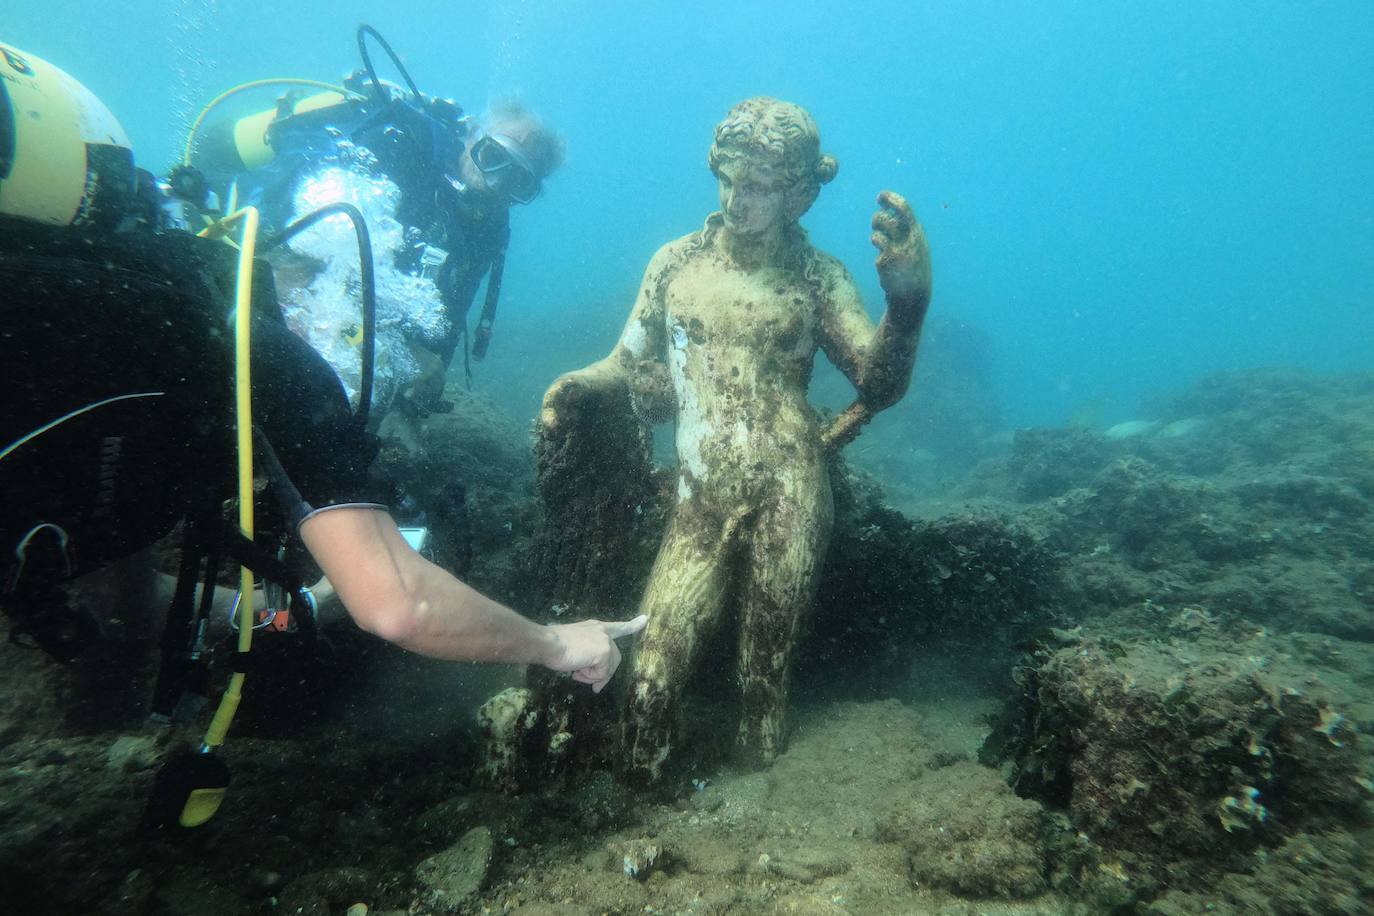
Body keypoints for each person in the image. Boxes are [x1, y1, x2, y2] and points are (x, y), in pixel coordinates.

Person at [0, 44, 641, 695]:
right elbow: (399, 606)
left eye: (519, 183)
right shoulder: (273, 368)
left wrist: (304, 609)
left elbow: (128, 600)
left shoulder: (126, 313)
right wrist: (554, 643)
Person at [540, 97, 932, 783]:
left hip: (790, 493)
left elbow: (880, 382)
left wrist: (907, 305)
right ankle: (641, 814)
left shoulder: (816, 277)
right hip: (697, 501)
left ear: (801, 195)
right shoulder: (675, 265)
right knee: (652, 676)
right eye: (729, 177)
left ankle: (757, 832)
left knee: (762, 684)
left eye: (760, 186)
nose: (737, 196)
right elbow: (626, 360)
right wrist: (578, 383)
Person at [194, 29, 564, 402]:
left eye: (519, 181)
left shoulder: (488, 231)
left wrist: (421, 383)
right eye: (492, 157)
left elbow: (450, 315)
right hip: (238, 239)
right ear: (470, 135)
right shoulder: (396, 149)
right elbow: (295, 246)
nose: (494, 183)